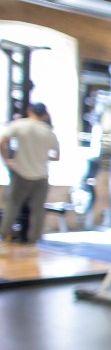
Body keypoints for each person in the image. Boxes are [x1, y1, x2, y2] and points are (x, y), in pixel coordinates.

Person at [0, 101, 61, 253]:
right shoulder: (49, 132)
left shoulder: (20, 125)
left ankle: (4, 240)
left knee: (12, 207)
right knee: (38, 210)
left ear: (29, 111)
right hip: (41, 175)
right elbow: (56, 156)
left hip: (20, 173)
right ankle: (32, 243)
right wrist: (43, 158)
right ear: (45, 115)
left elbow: (2, 141)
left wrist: (7, 160)